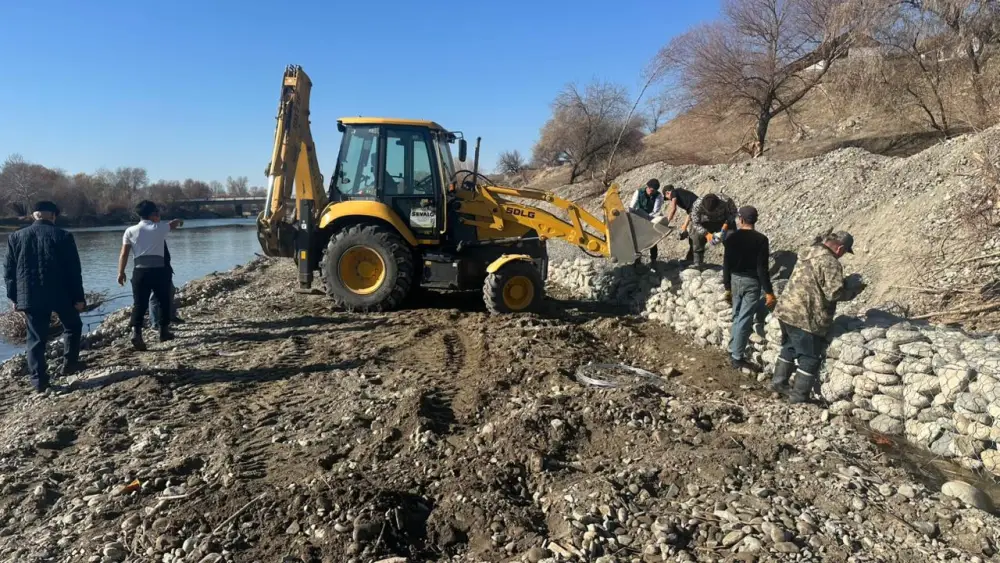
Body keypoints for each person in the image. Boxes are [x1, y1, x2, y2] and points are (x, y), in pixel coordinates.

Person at [771, 231, 866, 404]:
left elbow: (815, 280)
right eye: (844, 252)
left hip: (786, 309)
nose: (842, 255)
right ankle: (799, 397)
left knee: (790, 347)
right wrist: (853, 290)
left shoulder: (809, 251)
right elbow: (834, 293)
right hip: (805, 317)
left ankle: (778, 383)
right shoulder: (830, 262)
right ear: (840, 248)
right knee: (809, 358)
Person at [3, 201, 86, 393]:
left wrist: (14, 297)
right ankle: (70, 364)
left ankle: (39, 381)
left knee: (36, 338)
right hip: (61, 293)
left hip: (30, 295)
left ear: (34, 215)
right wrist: (79, 298)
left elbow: (9, 271)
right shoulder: (63, 235)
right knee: (73, 326)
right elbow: (74, 270)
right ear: (54, 215)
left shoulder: (15, 236)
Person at [118, 201, 183, 350]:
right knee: (163, 301)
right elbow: (172, 225)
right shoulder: (159, 228)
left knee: (139, 304)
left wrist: (121, 272)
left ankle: (136, 333)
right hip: (160, 271)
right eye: (157, 213)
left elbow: (124, 253)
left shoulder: (129, 231)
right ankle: (163, 332)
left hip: (140, 271)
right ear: (153, 214)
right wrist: (178, 221)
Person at [722, 206, 775, 372]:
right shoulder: (761, 240)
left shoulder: (731, 238)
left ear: (741, 219)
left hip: (735, 279)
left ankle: (732, 349)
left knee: (737, 315)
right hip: (752, 283)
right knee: (745, 318)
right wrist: (769, 292)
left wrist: (727, 286)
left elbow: (726, 263)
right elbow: (762, 268)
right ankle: (737, 357)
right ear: (755, 220)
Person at [687, 192, 738, 267]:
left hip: (723, 221)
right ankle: (698, 263)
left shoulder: (725, 200)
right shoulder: (697, 204)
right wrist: (706, 234)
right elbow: (696, 222)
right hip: (706, 222)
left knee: (731, 239)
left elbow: (734, 213)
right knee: (696, 236)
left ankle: (733, 263)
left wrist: (726, 224)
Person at [628, 179, 664, 262]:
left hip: (650, 218)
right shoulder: (638, 192)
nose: (652, 192)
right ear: (647, 187)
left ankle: (653, 260)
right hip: (637, 216)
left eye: (654, 191)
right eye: (651, 190)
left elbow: (655, 211)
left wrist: (647, 218)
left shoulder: (658, 196)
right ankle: (637, 261)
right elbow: (632, 207)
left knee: (653, 239)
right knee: (637, 239)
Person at [149, 242, 183, 328]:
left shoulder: (160, 238)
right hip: (153, 269)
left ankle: (170, 316)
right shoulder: (148, 239)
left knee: (171, 290)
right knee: (154, 296)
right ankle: (155, 322)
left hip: (165, 268)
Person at [663, 184, 700, 261]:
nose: (670, 200)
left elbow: (673, 209)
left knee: (694, 236)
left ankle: (693, 261)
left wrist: (666, 223)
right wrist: (684, 227)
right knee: (693, 235)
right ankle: (691, 259)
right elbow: (690, 212)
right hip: (698, 209)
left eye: (668, 198)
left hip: (698, 211)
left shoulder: (674, 192)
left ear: (667, 193)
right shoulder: (683, 194)